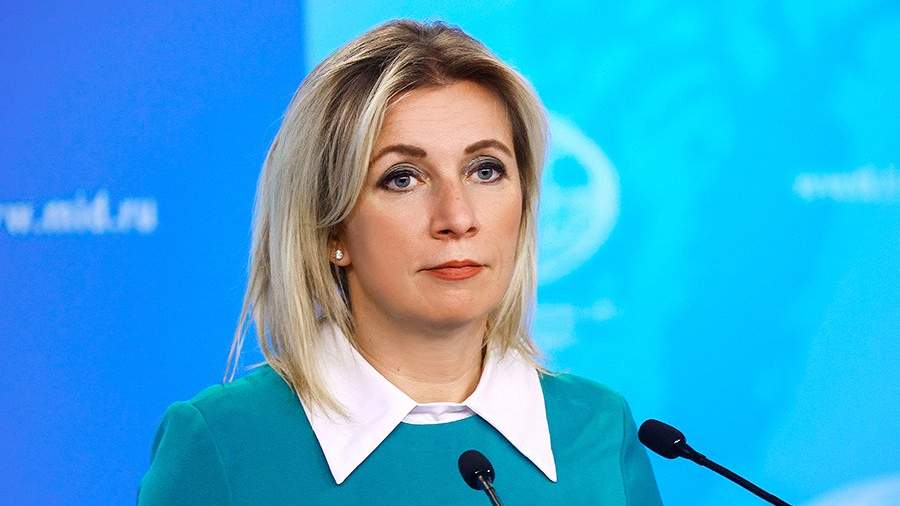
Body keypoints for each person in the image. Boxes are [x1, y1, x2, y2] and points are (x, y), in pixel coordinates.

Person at [138, 19, 663, 505]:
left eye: (485, 170)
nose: (458, 217)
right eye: (402, 178)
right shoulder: (223, 443)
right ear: (330, 227)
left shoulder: (598, 428)